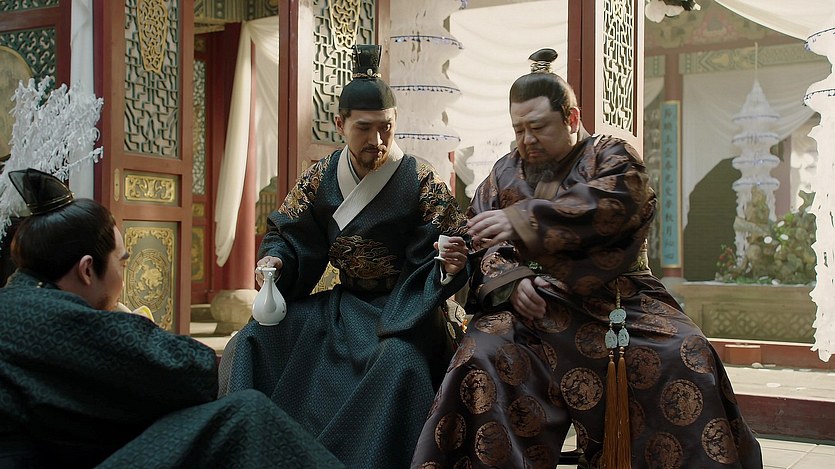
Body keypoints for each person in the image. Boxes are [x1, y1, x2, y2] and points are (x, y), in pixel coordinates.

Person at [410, 49, 763, 468]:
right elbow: (482, 239)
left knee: (687, 354)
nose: (527, 140)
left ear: (572, 118)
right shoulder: (504, 171)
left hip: (616, 299)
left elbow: (615, 204)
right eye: (519, 129)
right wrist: (509, 281)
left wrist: (524, 219)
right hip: (533, 312)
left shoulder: (611, 155)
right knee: (480, 355)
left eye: (538, 127)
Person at [217, 44, 470, 468]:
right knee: (254, 340)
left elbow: (447, 245)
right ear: (340, 124)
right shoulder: (321, 176)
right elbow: (288, 233)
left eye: (386, 128)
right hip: (344, 304)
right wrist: (277, 262)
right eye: (364, 128)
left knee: (398, 362)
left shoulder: (419, 179)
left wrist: (450, 267)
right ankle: (256, 452)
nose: (377, 141)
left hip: (405, 309)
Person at [0, 168, 343, 468]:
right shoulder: (62, 321)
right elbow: (195, 371)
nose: (124, 276)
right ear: (87, 270)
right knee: (244, 414)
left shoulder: (18, 302)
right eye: (122, 262)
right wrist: (126, 321)